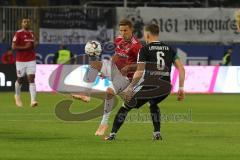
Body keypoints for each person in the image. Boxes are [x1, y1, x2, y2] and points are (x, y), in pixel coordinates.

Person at [105, 23, 185, 141]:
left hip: (150, 86)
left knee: (126, 105)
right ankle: (157, 133)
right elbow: (181, 69)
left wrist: (131, 87)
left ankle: (112, 135)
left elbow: (139, 71)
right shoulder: (170, 49)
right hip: (166, 87)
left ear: (147, 35)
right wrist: (181, 88)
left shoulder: (145, 49)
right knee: (153, 103)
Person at [72, 19, 142, 136]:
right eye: (121, 30)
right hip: (116, 71)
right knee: (95, 64)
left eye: (125, 30)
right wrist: (108, 68)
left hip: (127, 78)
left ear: (131, 30)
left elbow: (141, 66)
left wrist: (129, 67)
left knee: (110, 92)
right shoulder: (119, 40)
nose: (123, 33)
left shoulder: (137, 46)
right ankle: (86, 94)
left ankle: (104, 123)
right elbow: (116, 55)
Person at [12, 18, 38, 107]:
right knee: (20, 79)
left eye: (28, 21)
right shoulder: (18, 33)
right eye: (24, 22)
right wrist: (25, 47)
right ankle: (17, 95)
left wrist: (35, 44)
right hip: (21, 61)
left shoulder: (32, 33)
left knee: (31, 79)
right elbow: (13, 47)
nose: (26, 23)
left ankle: (33, 101)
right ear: (21, 23)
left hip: (31, 59)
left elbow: (35, 44)